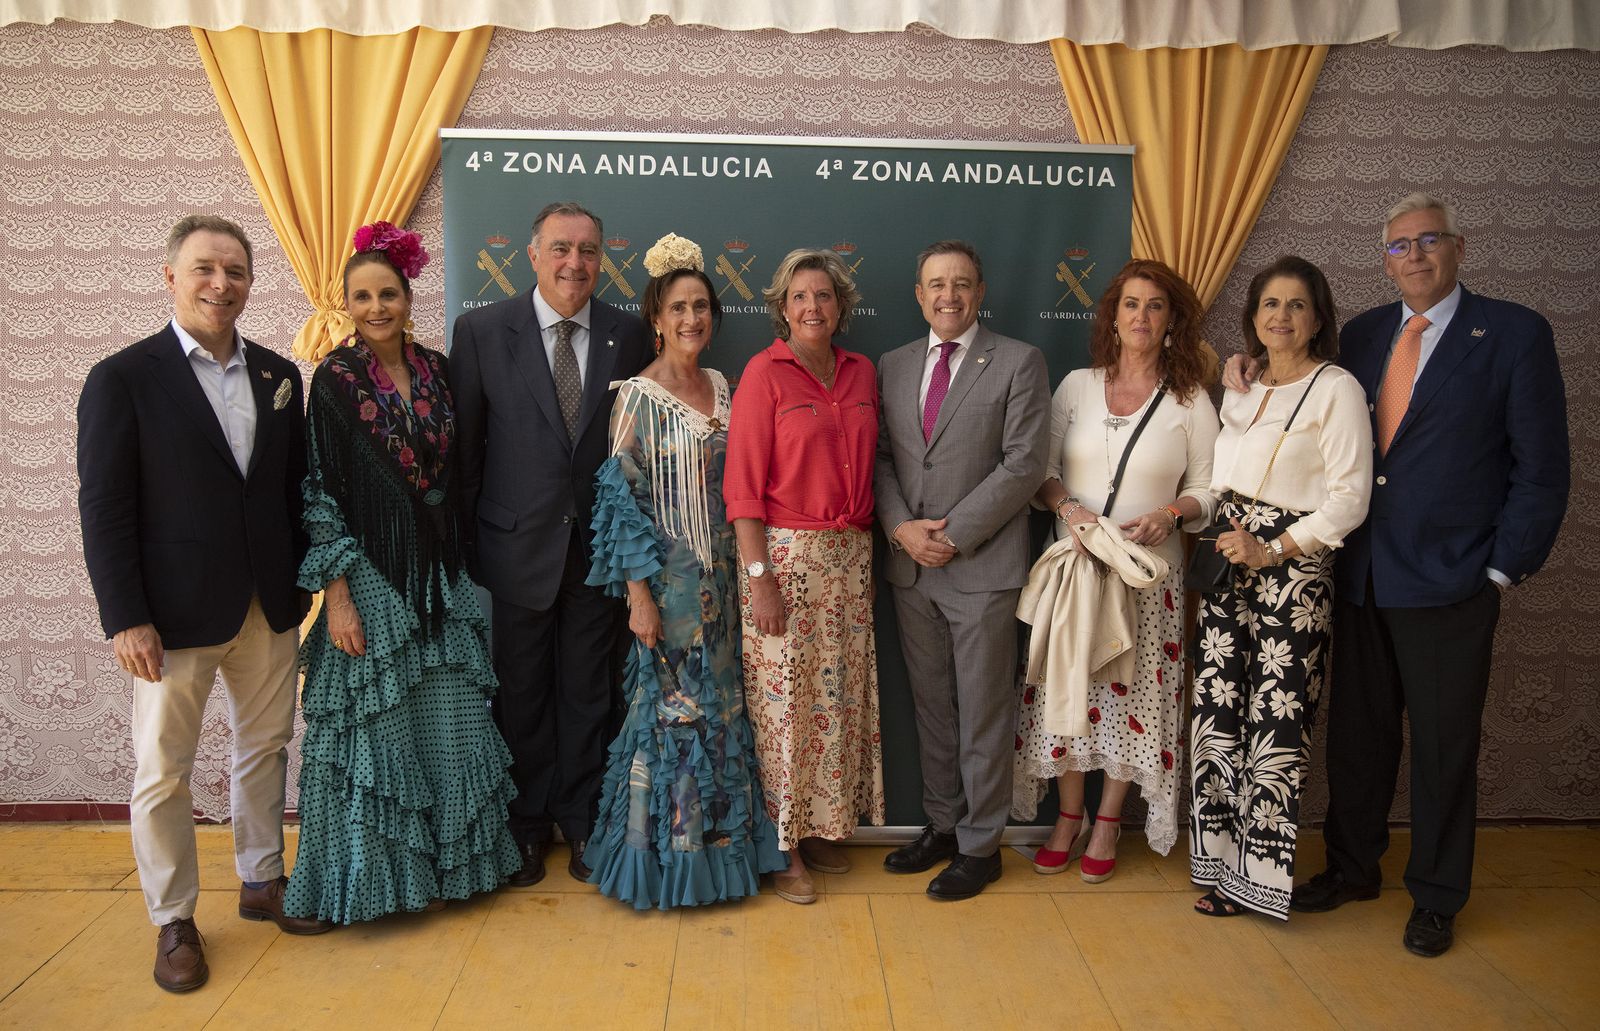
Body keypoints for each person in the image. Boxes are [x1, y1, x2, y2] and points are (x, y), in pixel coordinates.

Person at [1278, 194, 1569, 956]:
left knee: (1443, 748)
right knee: (1358, 738)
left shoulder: (1513, 333)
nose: (1414, 256)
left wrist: (1502, 570)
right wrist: (1257, 371)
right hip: (1361, 573)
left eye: (1427, 241)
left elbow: (1542, 469)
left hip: (1454, 581)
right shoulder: (1367, 333)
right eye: (1398, 246)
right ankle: (1352, 868)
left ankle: (1437, 895)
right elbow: (1315, 413)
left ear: (1458, 247)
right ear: (1385, 258)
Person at [77, 214, 330, 993]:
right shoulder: (123, 377)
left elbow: (291, 491)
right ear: (171, 277)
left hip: (269, 604)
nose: (222, 284)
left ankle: (261, 879)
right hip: (170, 616)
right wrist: (125, 614)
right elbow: (106, 504)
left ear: (252, 283)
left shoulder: (278, 375)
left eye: (236, 271)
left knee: (265, 748)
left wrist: (305, 583)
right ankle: (174, 917)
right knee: (163, 770)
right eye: (205, 269)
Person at [281, 223, 522, 924]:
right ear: (346, 304)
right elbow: (319, 489)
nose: (377, 306)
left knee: (447, 724)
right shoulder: (332, 379)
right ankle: (372, 882)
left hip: (440, 578)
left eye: (388, 293)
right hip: (371, 579)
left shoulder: (441, 369)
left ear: (409, 296)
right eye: (362, 296)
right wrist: (339, 594)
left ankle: (448, 869)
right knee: (373, 736)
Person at [581, 233, 787, 909]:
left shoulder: (725, 388)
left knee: (723, 716)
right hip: (667, 592)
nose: (692, 318)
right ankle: (666, 864)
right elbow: (619, 499)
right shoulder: (636, 396)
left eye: (701, 306)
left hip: (724, 585)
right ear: (657, 317)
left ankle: (726, 855)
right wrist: (636, 594)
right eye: (679, 307)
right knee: (670, 720)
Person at [452, 202, 653, 885]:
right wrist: (475, 545)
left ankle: (582, 819)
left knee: (589, 694)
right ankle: (527, 824)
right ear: (532, 255)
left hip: (598, 555)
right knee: (523, 693)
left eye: (590, 250)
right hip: (515, 550)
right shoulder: (481, 331)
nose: (577, 263)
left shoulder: (628, 335)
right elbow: (467, 451)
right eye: (562, 248)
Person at [1013, 259, 1218, 878]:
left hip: (1147, 579)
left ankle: (1108, 821)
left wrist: (1171, 513)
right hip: (1075, 574)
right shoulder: (1076, 385)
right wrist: (1069, 508)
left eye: (1155, 306)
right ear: (1113, 314)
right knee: (1068, 689)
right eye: (1131, 304)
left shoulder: (1190, 399)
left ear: (1171, 321)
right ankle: (1068, 815)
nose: (1141, 317)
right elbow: (1039, 472)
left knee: (1135, 696)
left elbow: (1210, 488)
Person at [1190, 255, 1372, 920]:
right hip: (1227, 554)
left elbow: (1350, 499)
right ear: (1254, 317)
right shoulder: (1241, 384)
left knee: (1275, 724)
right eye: (1270, 304)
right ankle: (1215, 862)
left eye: (1297, 305)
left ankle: (1257, 881)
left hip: (1291, 570)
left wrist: (1274, 548)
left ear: (1318, 317)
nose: (1282, 316)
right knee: (1217, 712)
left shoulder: (1338, 389)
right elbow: (1221, 476)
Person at [873, 240, 1050, 901]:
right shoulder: (892, 365)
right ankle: (944, 825)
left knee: (981, 712)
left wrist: (954, 533)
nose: (948, 295)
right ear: (919, 294)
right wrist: (901, 528)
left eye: (961, 284)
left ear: (980, 292)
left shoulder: (1017, 360)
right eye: (936, 284)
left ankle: (981, 845)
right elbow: (883, 459)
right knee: (933, 710)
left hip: (981, 567)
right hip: (912, 567)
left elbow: (1025, 463)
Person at [724, 248, 884, 905]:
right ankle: (781, 848)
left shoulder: (862, 372)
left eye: (823, 295)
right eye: (799, 297)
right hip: (784, 564)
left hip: (850, 565)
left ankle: (817, 826)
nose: (812, 306)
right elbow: (741, 490)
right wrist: (759, 576)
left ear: (841, 306)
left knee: (835, 706)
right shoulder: (764, 374)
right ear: (782, 309)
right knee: (784, 711)